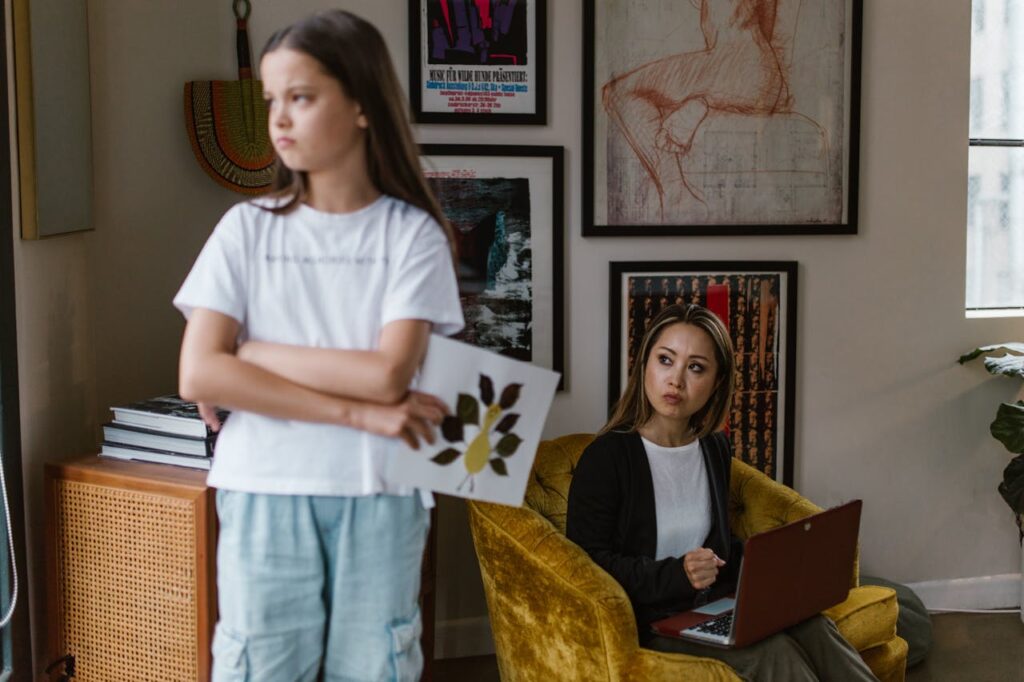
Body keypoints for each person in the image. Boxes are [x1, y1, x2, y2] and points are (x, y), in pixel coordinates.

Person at [173, 10, 463, 681]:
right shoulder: (245, 228)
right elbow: (196, 373)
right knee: (259, 668)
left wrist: (248, 355)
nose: (279, 119)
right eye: (272, 100)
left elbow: (390, 375)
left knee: (375, 668)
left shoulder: (411, 236)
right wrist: (355, 410)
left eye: (300, 97)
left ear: (362, 104)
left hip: (381, 494)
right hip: (262, 488)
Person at [566, 304, 876, 681]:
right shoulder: (607, 458)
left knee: (815, 627)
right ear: (644, 364)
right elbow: (587, 565)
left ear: (716, 381)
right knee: (772, 652)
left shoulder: (713, 447)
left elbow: (718, 547)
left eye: (696, 367)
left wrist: (778, 570)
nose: (676, 380)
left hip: (714, 605)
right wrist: (678, 574)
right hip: (652, 621)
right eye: (666, 360)